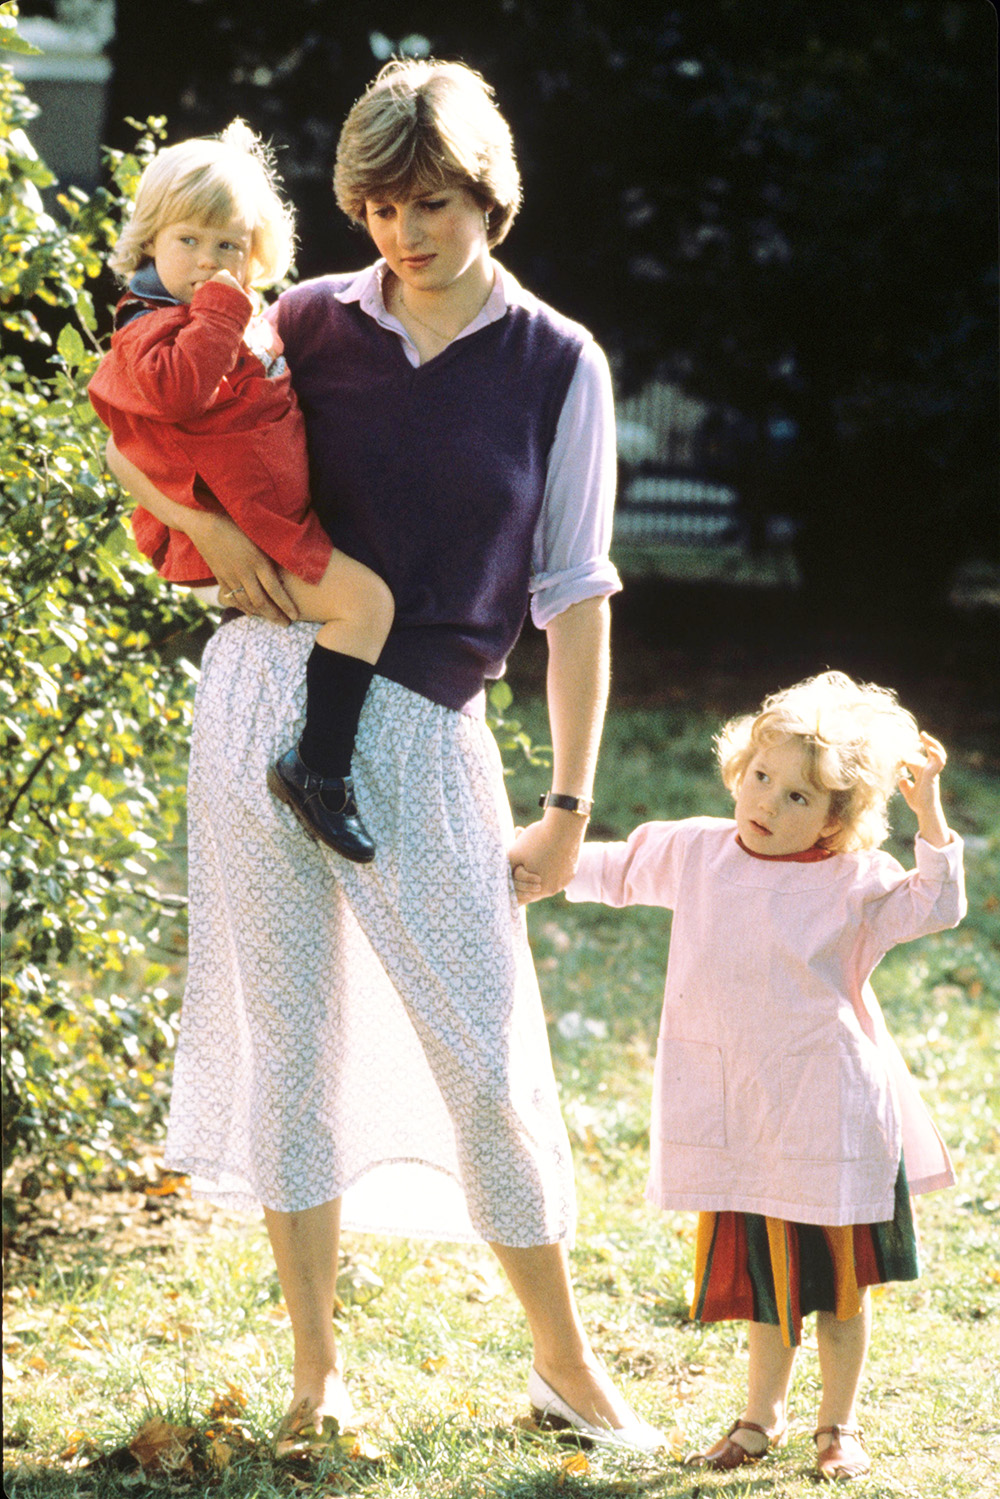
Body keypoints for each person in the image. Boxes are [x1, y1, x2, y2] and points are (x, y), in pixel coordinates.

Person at [105, 60, 665, 1454]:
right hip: (253, 702)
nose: (400, 232)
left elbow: (577, 594)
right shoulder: (296, 316)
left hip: (421, 732)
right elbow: (133, 422)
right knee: (293, 1048)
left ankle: (568, 1364)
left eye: (427, 203)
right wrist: (217, 539)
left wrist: (570, 803)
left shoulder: (557, 360)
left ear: (489, 193)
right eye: (372, 206)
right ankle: (316, 1374)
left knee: (486, 1055)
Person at [520, 671, 966, 1481]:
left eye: (799, 798)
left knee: (838, 1291)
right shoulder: (694, 850)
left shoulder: (853, 883)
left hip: (829, 1115)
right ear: (738, 767)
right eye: (761, 777)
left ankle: (840, 1425)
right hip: (747, 1115)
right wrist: (520, 866)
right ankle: (758, 1419)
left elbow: (935, 902)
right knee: (771, 1287)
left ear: (839, 817)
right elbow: (607, 869)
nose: (767, 803)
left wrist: (929, 807)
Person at [90, 120, 395, 862]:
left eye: (229, 246)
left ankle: (312, 757)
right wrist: (224, 308)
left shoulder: (230, 317)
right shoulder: (149, 330)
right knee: (368, 605)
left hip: (269, 519)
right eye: (189, 241)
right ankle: (317, 770)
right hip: (242, 535)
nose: (208, 263)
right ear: (149, 243)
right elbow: (182, 392)